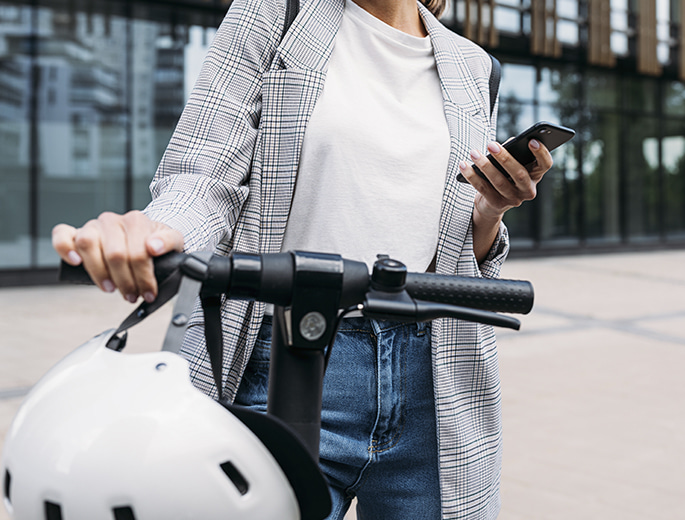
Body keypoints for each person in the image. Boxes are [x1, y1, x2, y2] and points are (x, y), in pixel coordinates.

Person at [52, 0, 553, 518]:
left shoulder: (473, 65)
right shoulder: (276, 13)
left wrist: (492, 209)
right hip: (283, 361)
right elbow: (203, 177)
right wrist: (155, 236)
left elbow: (455, 244)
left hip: (435, 378)